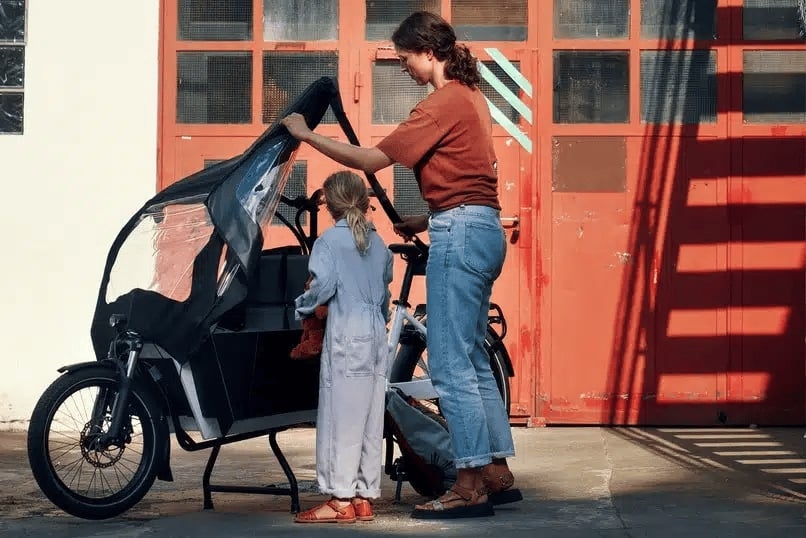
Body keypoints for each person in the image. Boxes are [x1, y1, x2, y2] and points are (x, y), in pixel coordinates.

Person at [281, 11, 519, 520]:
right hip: (479, 226)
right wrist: (426, 215)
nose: (404, 67)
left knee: (451, 364)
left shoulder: (444, 101)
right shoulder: (472, 98)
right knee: (474, 359)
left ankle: (469, 483)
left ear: (428, 52)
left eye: (405, 57)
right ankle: (496, 471)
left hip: (460, 232)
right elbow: (468, 179)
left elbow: (370, 161)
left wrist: (305, 134)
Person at [292, 170, 393, 524]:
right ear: (364, 202)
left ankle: (340, 499)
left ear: (330, 204)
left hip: (347, 330)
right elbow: (384, 297)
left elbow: (323, 288)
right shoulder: (378, 243)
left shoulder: (329, 243)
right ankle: (364, 496)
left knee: (341, 418)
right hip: (375, 332)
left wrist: (301, 305)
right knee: (368, 416)